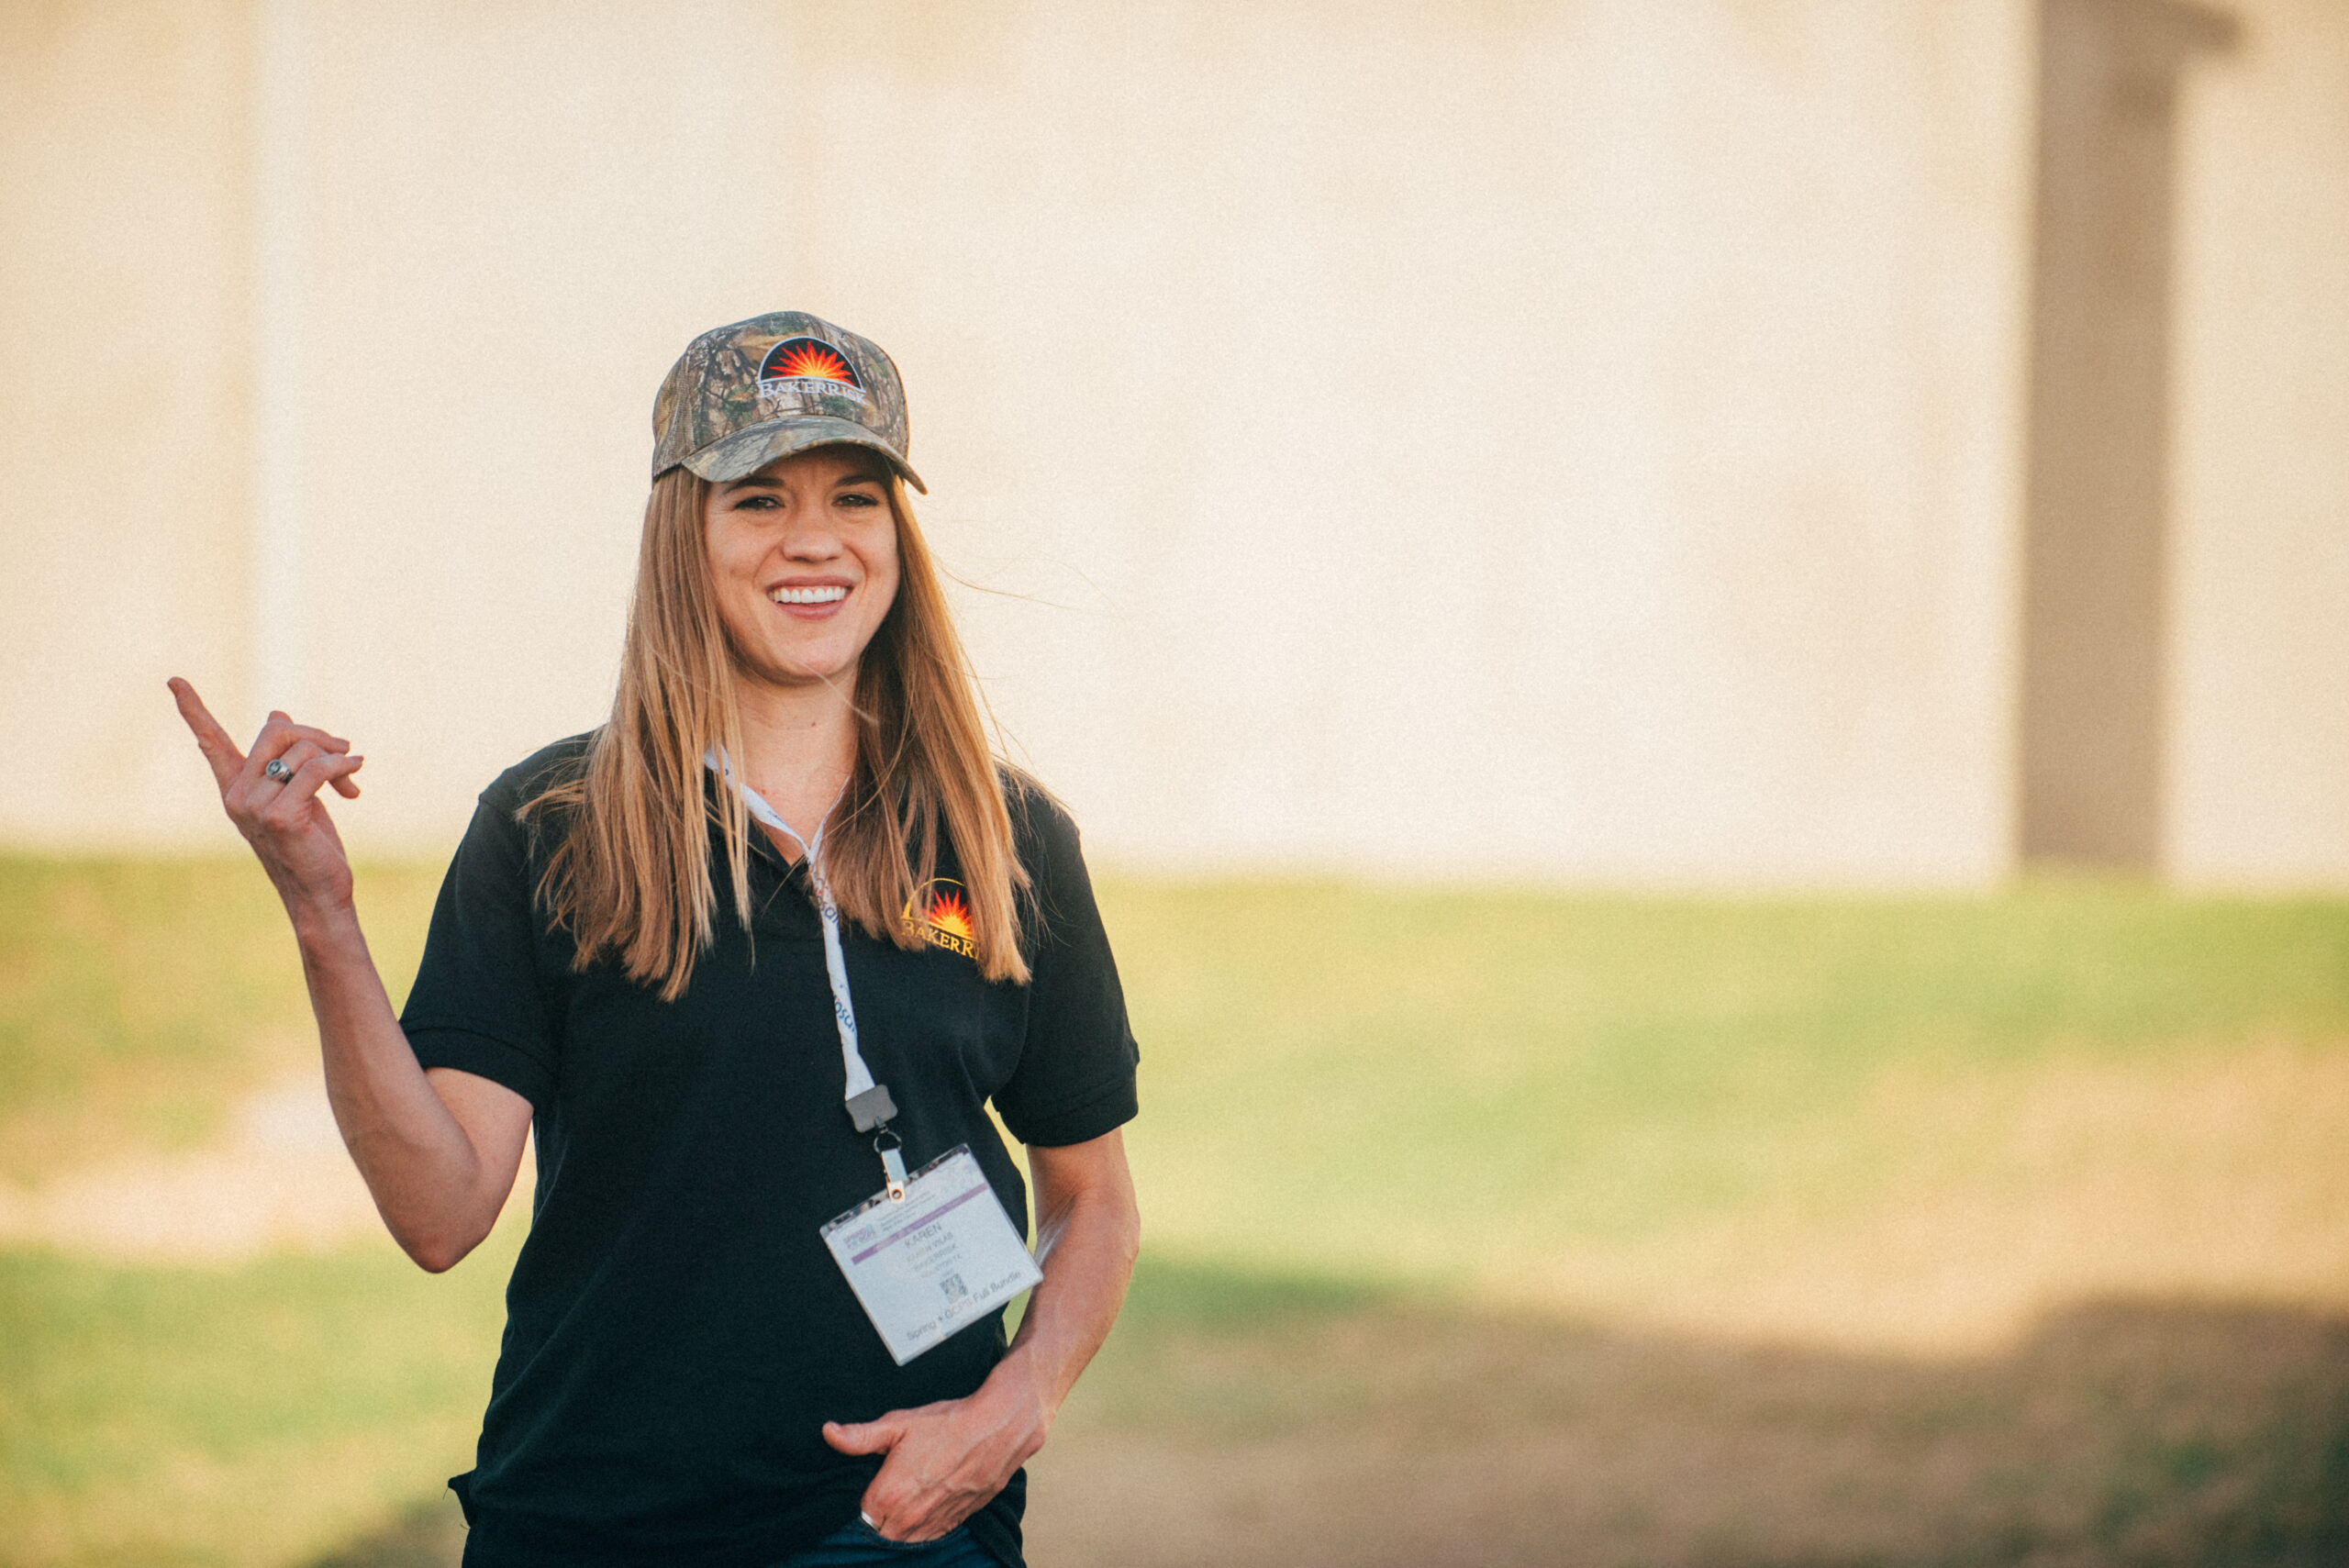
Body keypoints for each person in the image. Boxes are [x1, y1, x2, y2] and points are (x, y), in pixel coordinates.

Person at [169, 310, 1142, 1568]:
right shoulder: (551, 825)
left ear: (898, 536)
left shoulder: (1008, 837)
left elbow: (1094, 1197)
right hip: (592, 1526)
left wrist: (1012, 1413)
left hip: (905, 1528)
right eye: (757, 498)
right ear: (683, 529)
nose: (814, 539)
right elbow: (439, 1208)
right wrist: (320, 910)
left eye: (856, 495)